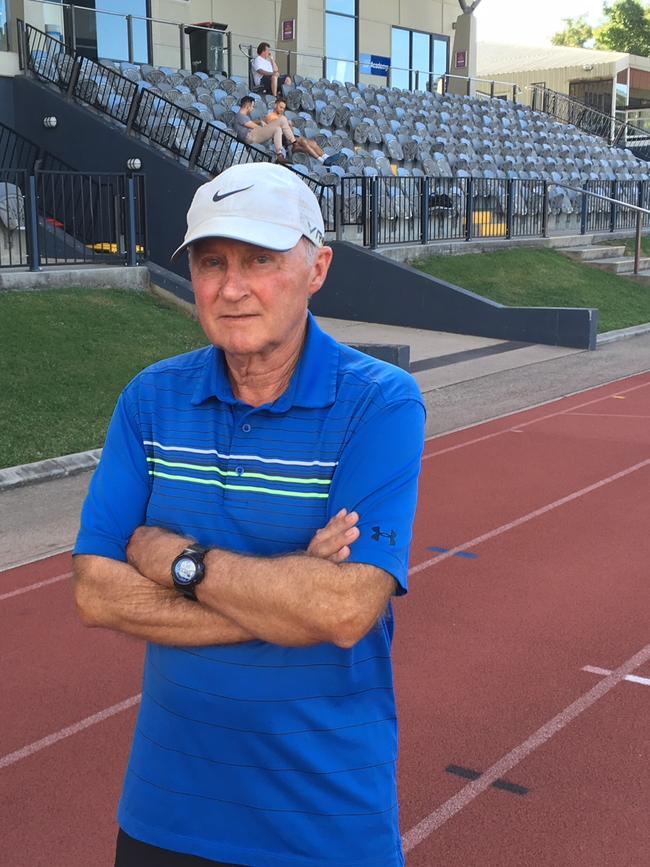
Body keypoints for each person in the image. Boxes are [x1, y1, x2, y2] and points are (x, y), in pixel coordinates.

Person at [73, 161, 425, 867]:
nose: (231, 288)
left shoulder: (380, 403)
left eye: (260, 260)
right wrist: (287, 597)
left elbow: (344, 610)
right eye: (211, 262)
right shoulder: (150, 399)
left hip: (324, 823)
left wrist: (178, 562)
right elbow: (95, 593)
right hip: (163, 817)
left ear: (317, 267)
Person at [264, 97, 343, 167]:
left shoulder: (282, 117)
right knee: (303, 141)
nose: (282, 110)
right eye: (280, 107)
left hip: (293, 141)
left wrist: (290, 126)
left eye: (283, 108)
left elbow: (290, 130)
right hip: (286, 143)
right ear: (275, 105)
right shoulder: (270, 116)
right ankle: (322, 161)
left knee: (313, 143)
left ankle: (326, 157)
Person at [233, 95, 296, 164]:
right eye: (252, 106)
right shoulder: (240, 115)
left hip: (253, 135)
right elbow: (255, 127)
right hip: (250, 136)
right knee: (282, 119)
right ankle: (294, 143)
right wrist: (267, 128)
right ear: (247, 106)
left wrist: (261, 122)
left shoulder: (243, 116)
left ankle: (280, 155)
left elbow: (250, 123)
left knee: (277, 129)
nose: (253, 109)